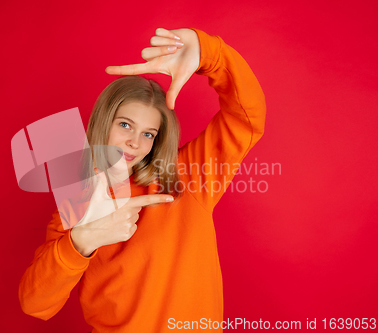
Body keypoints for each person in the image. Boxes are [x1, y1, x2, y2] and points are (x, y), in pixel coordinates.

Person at [18, 27, 266, 332]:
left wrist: (211, 55)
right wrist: (81, 241)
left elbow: (247, 120)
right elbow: (35, 304)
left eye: (148, 134)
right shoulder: (78, 201)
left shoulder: (187, 175)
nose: (136, 142)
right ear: (103, 122)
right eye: (125, 125)